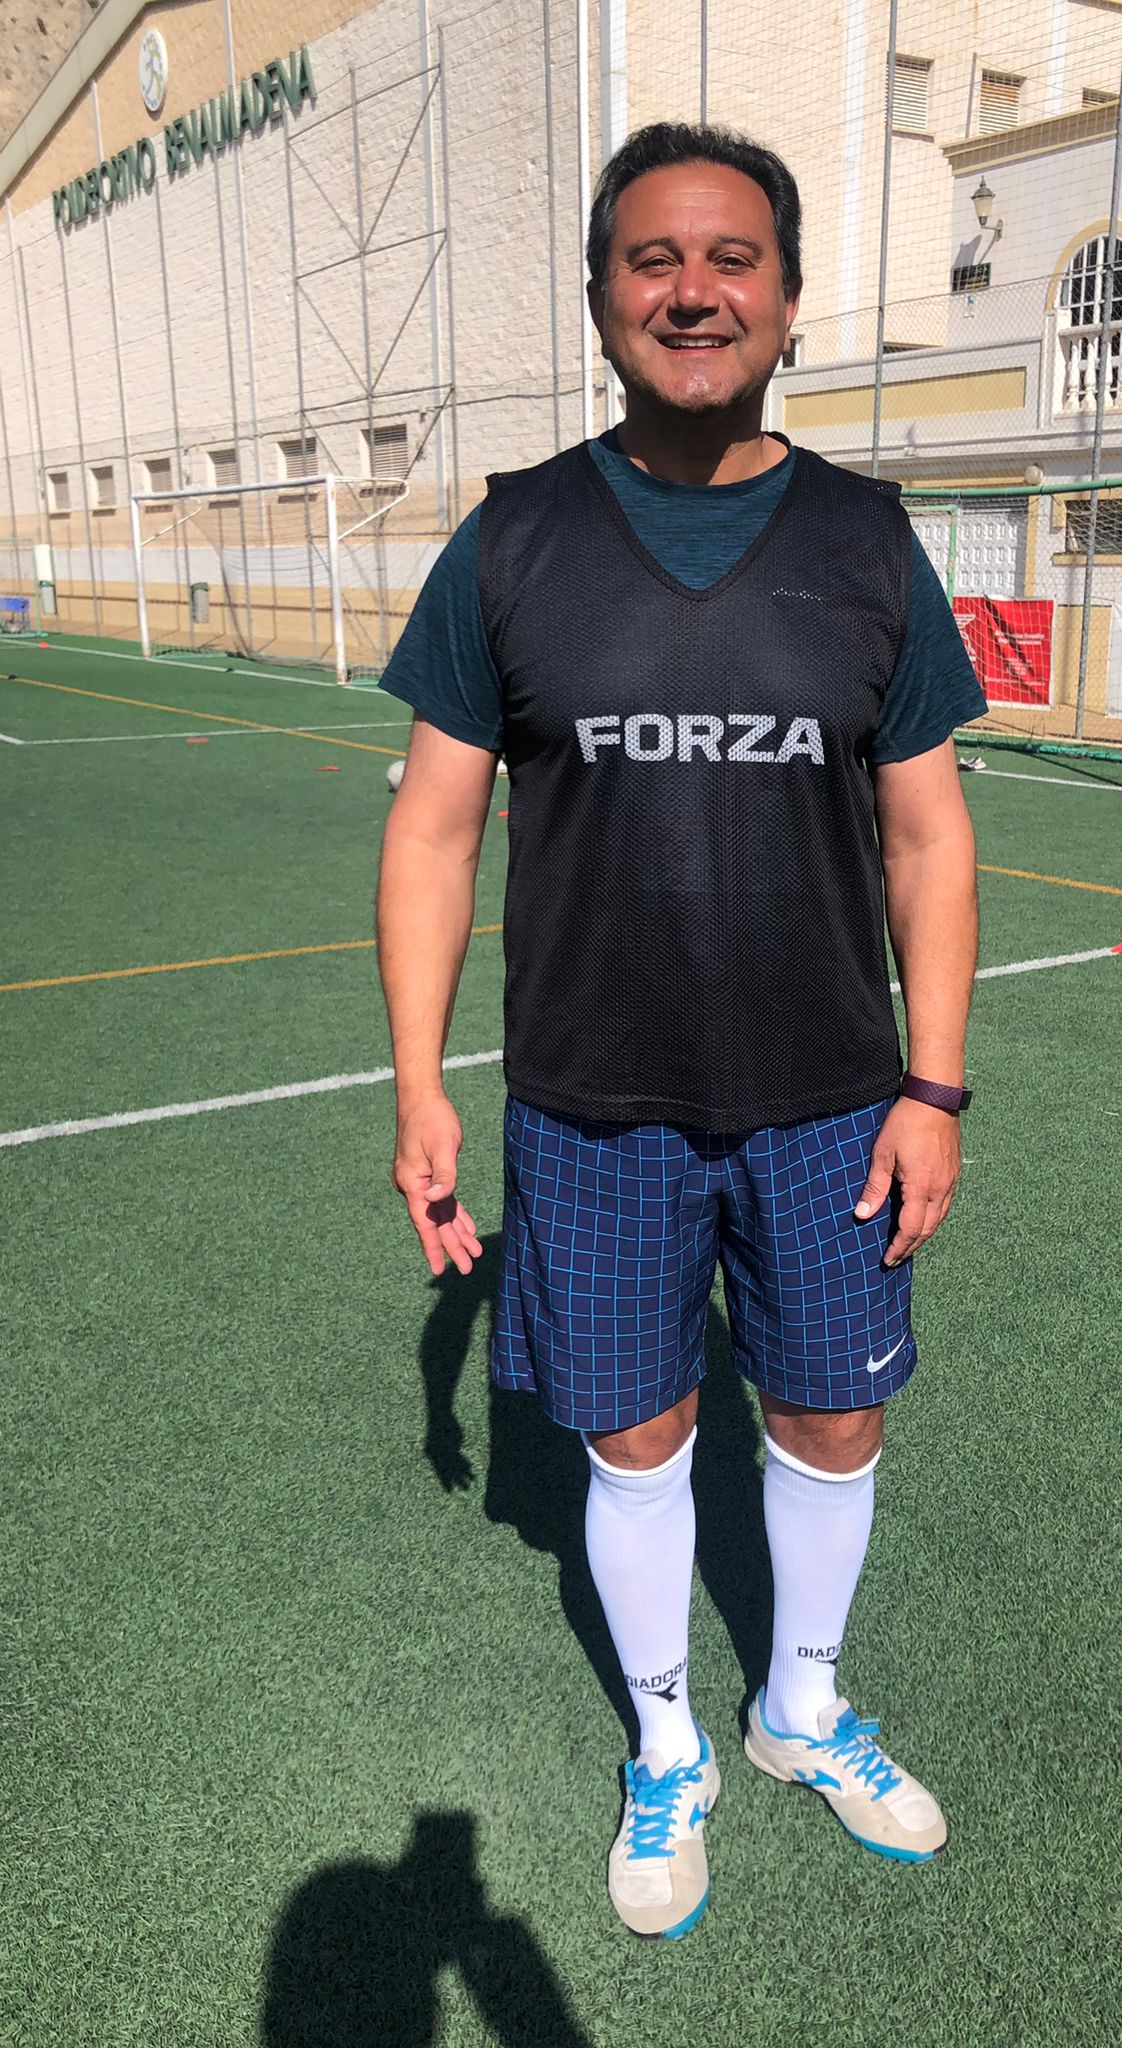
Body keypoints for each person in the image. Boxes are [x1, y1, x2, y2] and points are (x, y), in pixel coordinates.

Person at [377, 121, 986, 1940]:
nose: (693, 291)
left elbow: (929, 836)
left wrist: (933, 1085)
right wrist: (417, 1083)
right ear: (600, 300)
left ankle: (798, 1706)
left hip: (830, 1099)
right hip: (594, 1104)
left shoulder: (867, 540)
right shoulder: (514, 536)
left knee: (831, 1416)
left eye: (732, 259)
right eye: (653, 259)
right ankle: (666, 1745)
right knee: (633, 1438)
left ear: (788, 303)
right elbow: (431, 829)